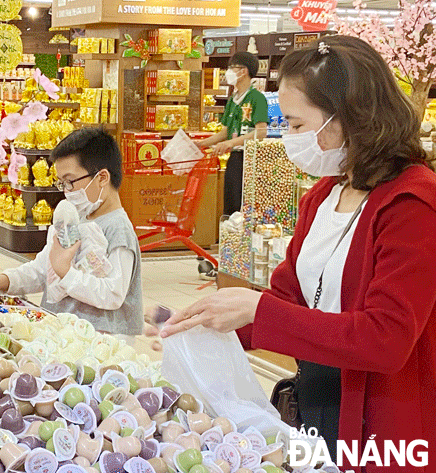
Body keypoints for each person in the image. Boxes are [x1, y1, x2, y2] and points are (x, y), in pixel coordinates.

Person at [160, 35, 436, 471]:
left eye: (296, 123)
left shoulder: (412, 204)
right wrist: (197, 329)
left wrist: (258, 310)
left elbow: (386, 339)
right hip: (315, 402)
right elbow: (288, 298)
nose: (288, 138)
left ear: (348, 117)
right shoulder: (324, 194)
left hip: (379, 422)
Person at [0, 128, 144, 336]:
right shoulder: (77, 217)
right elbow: (43, 269)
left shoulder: (117, 229)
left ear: (102, 177)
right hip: (60, 329)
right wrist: (2, 281)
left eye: (70, 181)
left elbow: (113, 293)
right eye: (62, 183)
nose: (66, 191)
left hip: (96, 340)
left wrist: (66, 273)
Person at [197, 52, 268, 280]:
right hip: (235, 160)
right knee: (229, 206)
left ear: (243, 70)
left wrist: (231, 144)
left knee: (241, 207)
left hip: (249, 159)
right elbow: (225, 131)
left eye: (232, 67)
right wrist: (203, 143)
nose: (228, 72)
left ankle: (240, 261)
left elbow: (260, 132)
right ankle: (228, 260)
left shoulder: (257, 98)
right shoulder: (233, 98)